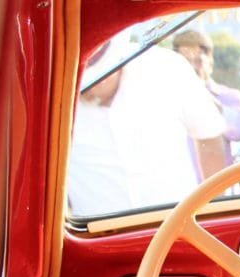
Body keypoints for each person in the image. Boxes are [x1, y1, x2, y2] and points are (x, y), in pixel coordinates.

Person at [67, 37, 227, 217]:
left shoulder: (165, 68)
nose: (83, 91)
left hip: (180, 228)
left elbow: (210, 137)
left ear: (117, 65)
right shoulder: (49, 93)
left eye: (89, 82)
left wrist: (214, 210)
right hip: (97, 238)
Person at [172, 29, 240, 169]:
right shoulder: (166, 102)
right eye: (185, 62)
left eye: (198, 61)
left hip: (217, 187)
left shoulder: (229, 97)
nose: (191, 67)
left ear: (210, 61)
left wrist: (209, 101)